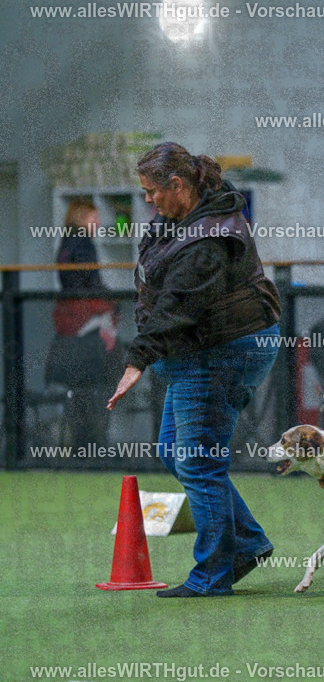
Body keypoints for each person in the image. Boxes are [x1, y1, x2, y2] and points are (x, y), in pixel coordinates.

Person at [107, 142, 281, 598]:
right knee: (176, 453)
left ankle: (213, 575)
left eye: (151, 192)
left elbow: (177, 305)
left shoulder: (208, 239)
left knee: (199, 462)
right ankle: (246, 543)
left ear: (178, 185)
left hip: (223, 351)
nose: (147, 201)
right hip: (201, 352)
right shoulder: (182, 218)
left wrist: (136, 361)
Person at [48, 198, 120, 447]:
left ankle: (85, 443)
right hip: (84, 324)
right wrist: (113, 301)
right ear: (82, 217)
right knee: (95, 384)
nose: (98, 224)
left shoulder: (67, 242)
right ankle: (93, 443)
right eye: (94, 218)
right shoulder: (81, 242)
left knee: (82, 390)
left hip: (71, 326)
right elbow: (91, 283)